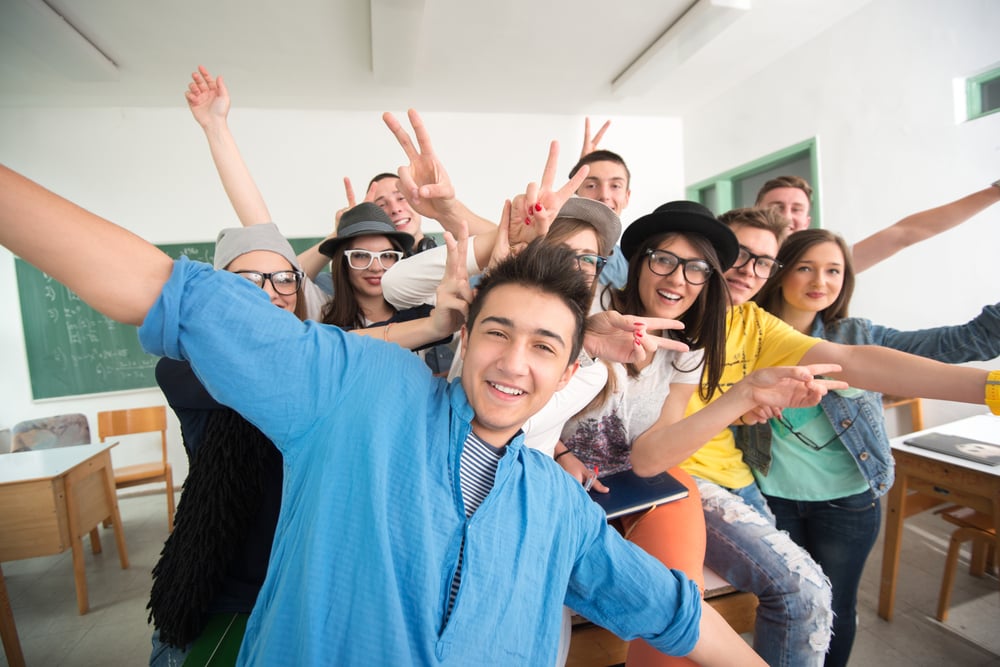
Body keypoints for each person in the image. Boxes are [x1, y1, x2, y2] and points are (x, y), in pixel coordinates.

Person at [0, 163, 770, 666]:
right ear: (463, 336)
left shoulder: (556, 509)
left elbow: (673, 611)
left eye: (543, 346)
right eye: (497, 331)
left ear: (570, 371)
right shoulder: (356, 391)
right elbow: (165, 290)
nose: (513, 362)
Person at [650, 205, 1000, 667]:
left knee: (807, 603)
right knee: (792, 596)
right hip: (700, 482)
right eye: (739, 255)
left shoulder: (756, 325)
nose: (749, 271)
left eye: (763, 262)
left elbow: (854, 360)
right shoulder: (666, 306)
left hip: (773, 487)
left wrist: (988, 389)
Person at [557, 202, 846, 667]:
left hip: (638, 488)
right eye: (664, 260)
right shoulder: (590, 311)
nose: (677, 279)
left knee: (677, 616)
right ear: (639, 261)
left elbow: (650, 458)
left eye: (696, 269)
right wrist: (559, 446)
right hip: (565, 486)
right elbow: (527, 404)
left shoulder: (689, 349)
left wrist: (746, 394)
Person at [749, 227, 1000, 666]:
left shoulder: (858, 334)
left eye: (834, 271)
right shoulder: (745, 334)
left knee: (836, 606)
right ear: (779, 271)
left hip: (849, 502)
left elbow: (954, 343)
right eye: (805, 268)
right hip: (772, 498)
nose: (820, 282)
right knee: (785, 607)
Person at [148, 223, 307, 665]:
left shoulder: (318, 366)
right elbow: (272, 367)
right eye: (248, 280)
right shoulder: (182, 369)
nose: (270, 291)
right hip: (220, 587)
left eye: (283, 278)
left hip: (296, 580)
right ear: (221, 291)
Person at [755, 174, 1000, 272]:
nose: (787, 216)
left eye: (796, 209)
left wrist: (994, 193)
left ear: (807, 221)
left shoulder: (827, 265)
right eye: (776, 207)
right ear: (757, 212)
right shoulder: (735, 263)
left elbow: (904, 233)